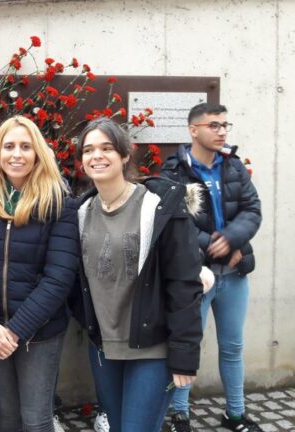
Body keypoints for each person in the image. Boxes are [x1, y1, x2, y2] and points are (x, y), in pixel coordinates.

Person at [71, 117, 204, 432]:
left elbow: (184, 283)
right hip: (104, 346)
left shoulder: (159, 205)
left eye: (106, 148)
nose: (97, 156)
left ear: (125, 155)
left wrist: (184, 354)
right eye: (89, 150)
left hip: (152, 347)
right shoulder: (79, 212)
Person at [0, 116, 79, 432]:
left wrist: (14, 331)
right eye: (9, 146)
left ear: (38, 153)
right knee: (8, 417)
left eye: (25, 147)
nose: (17, 154)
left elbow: (59, 277)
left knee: (36, 419)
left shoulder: (59, 203)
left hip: (39, 333)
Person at [161, 103, 263, 432]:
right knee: (187, 345)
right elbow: (174, 222)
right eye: (214, 125)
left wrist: (232, 239)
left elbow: (252, 208)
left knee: (233, 346)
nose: (221, 131)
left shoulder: (233, 166)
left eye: (224, 125)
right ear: (194, 130)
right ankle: (180, 416)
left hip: (234, 276)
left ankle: (235, 414)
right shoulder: (174, 171)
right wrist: (211, 245)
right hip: (195, 278)